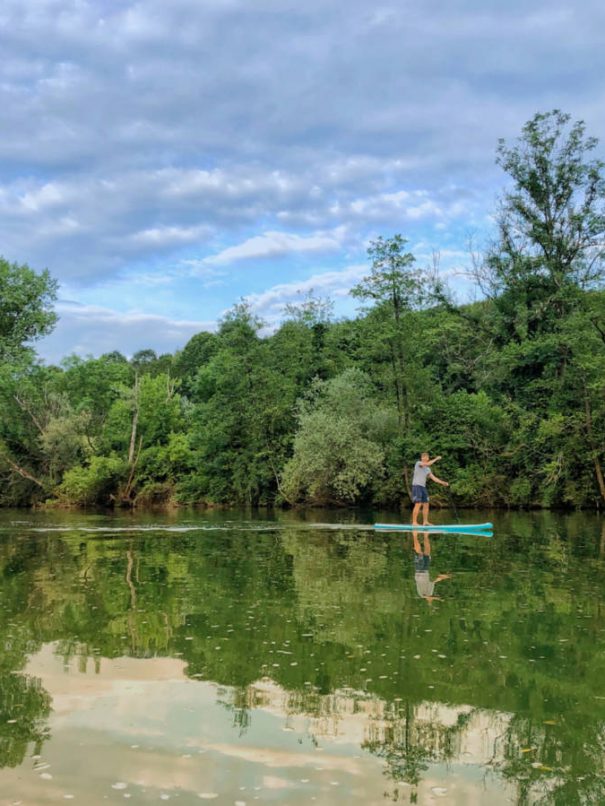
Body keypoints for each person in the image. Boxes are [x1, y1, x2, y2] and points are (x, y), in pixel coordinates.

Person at [412, 531, 452, 603]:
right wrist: (442, 577)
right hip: (425, 570)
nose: (431, 599)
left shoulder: (421, 595)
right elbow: (433, 582)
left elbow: (425, 596)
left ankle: (414, 535)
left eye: (430, 600)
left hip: (419, 572)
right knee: (427, 553)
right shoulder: (430, 592)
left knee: (419, 553)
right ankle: (426, 535)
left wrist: (435, 598)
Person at [411, 452, 449, 526]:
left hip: (423, 487)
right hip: (416, 486)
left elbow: (434, 478)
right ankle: (414, 522)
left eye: (426, 457)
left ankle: (425, 522)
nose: (425, 459)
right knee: (418, 504)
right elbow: (428, 464)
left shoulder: (428, 469)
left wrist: (443, 483)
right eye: (423, 457)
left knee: (426, 504)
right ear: (421, 458)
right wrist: (436, 459)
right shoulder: (418, 463)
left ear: (428, 458)